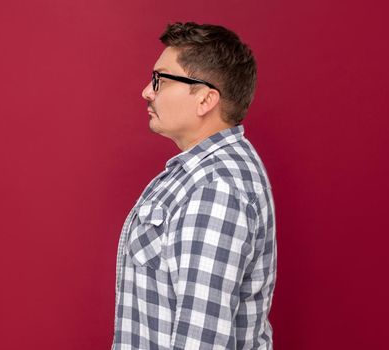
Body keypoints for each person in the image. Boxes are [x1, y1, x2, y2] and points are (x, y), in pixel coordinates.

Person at [112, 22, 277, 350]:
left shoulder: (216, 188)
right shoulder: (200, 174)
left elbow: (201, 340)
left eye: (160, 79)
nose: (147, 90)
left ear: (204, 99)